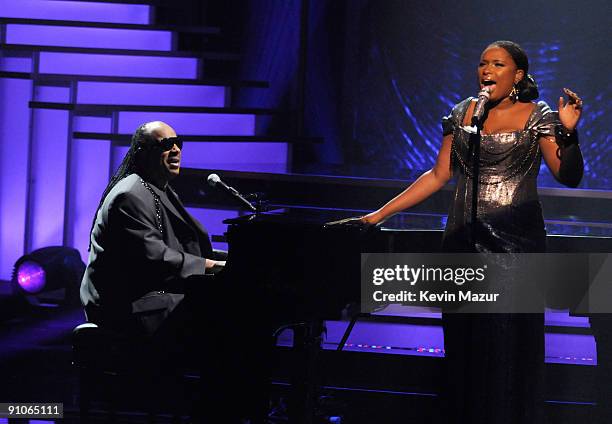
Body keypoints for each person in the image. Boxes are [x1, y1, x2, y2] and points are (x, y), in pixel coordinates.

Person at [335, 40, 584, 422]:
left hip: (515, 251)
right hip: (463, 242)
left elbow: (568, 176)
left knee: (506, 350)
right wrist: (376, 216)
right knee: (464, 351)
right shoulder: (465, 112)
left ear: (517, 75)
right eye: (482, 63)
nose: (486, 70)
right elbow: (438, 175)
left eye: (498, 64)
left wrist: (569, 135)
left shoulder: (539, 115)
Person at [79, 121, 264, 423]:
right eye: (165, 144)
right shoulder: (131, 195)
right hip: (129, 307)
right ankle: (216, 410)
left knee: (238, 321)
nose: (175, 149)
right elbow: (156, 257)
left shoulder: (155, 189)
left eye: (177, 142)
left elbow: (182, 250)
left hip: (154, 294)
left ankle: (229, 408)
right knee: (228, 328)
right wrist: (217, 266)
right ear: (143, 152)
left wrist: (231, 260)